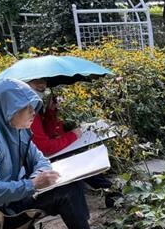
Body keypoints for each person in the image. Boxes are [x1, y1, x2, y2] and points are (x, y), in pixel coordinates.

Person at [0, 78, 114, 229]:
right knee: (66, 191)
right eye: (27, 107)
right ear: (9, 108)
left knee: (73, 181)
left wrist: (37, 179)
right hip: (3, 211)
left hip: (18, 194)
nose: (33, 112)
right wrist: (33, 185)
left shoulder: (17, 130)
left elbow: (40, 159)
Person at [26, 78, 119, 207]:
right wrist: (72, 136)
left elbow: (47, 134)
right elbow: (45, 148)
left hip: (39, 155)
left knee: (77, 154)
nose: (42, 85)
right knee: (75, 160)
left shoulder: (33, 105)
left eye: (43, 81)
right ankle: (111, 190)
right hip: (35, 163)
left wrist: (51, 112)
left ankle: (111, 190)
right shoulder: (26, 110)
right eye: (36, 82)